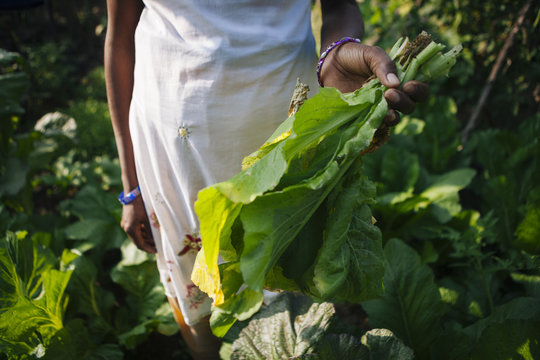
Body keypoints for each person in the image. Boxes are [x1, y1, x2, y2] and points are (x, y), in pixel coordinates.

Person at [104, 0, 428, 358]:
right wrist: (130, 185)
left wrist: (336, 52)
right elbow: (120, 38)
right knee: (196, 285)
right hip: (173, 147)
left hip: (287, 126)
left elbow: (339, 7)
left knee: (289, 290)